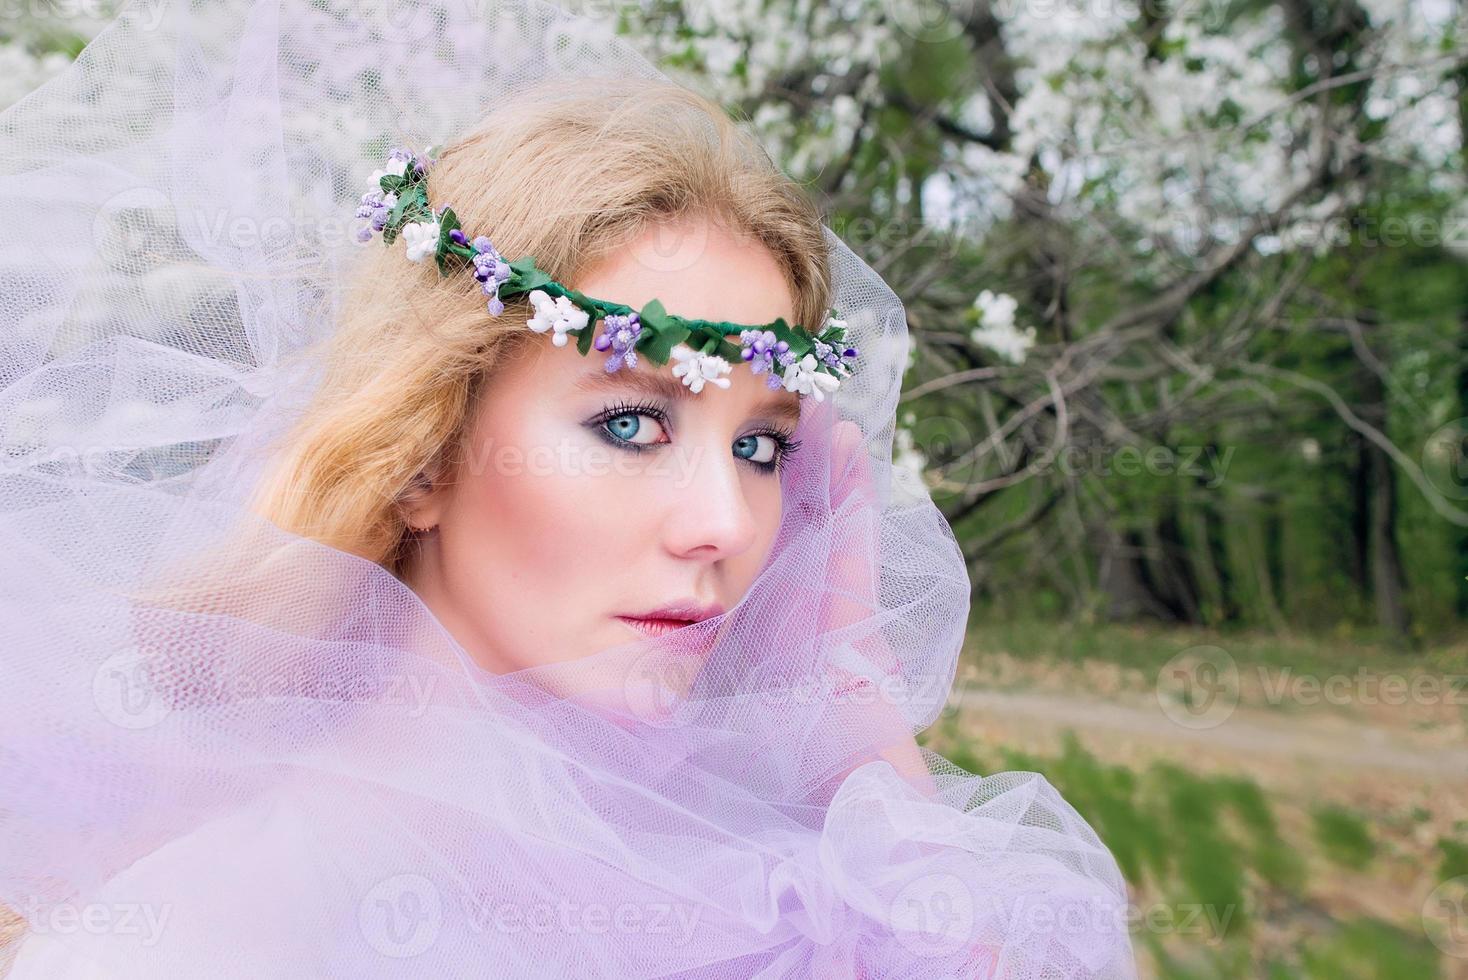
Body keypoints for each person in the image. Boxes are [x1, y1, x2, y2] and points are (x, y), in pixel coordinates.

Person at [0, 1, 1138, 976]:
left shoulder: (743, 874)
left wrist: (855, 721)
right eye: (632, 421)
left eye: (761, 446)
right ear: (425, 454)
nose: (727, 524)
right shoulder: (218, 925)